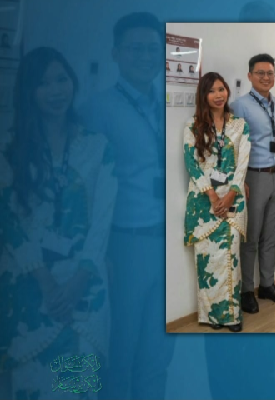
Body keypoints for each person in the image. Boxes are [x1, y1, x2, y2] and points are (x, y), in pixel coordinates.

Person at [1, 47, 116, 399]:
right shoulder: (9, 149)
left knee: (75, 389)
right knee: (31, 388)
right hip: (29, 290)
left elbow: (101, 223)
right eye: (43, 83)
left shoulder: (97, 146)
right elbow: (9, 222)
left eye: (61, 79)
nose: (55, 90)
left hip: (84, 290)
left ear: (73, 82)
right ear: (29, 91)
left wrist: (80, 279)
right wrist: (46, 281)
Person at [78, 12, 175, 400]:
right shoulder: (96, 110)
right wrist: (97, 252)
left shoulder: (171, 106)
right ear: (116, 53)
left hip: (170, 243)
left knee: (159, 351)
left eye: (153, 49)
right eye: (136, 48)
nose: (146, 56)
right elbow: (84, 190)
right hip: (125, 244)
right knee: (117, 349)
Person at [183, 72, 249, 332]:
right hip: (203, 203)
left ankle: (231, 316)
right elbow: (192, 164)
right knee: (207, 261)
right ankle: (211, 316)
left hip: (233, 199)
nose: (218, 95)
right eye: (212, 91)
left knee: (230, 257)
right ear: (204, 95)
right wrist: (212, 195)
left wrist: (230, 194)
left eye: (222, 89)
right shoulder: (192, 126)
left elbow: (242, 165)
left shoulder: (239, 125)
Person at [230, 53, 275, 312]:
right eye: (260, 73)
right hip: (253, 177)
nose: (266, 77)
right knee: (251, 237)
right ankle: (247, 290)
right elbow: (234, 146)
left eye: (270, 73)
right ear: (250, 76)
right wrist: (240, 179)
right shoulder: (239, 106)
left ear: (274, 76)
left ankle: (267, 285)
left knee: (271, 236)